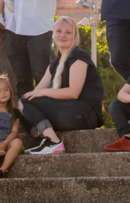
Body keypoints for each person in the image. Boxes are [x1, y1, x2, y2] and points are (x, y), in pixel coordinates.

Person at [20, 16, 105, 154]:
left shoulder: (78, 56)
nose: (62, 35)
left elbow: (73, 93)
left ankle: (54, 141)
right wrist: (26, 102)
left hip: (85, 114)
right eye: (59, 31)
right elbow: (34, 94)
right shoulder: (55, 63)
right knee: (22, 104)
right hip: (68, 112)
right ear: (53, 34)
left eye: (68, 32)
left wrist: (42, 93)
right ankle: (43, 137)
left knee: (25, 101)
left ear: (74, 36)